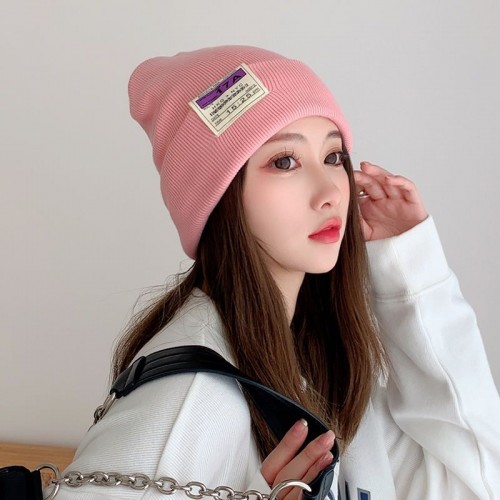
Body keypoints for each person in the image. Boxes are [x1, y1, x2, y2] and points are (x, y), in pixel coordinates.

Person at [53, 45, 500, 500]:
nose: (330, 192)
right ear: (219, 196)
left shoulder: (321, 360)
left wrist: (412, 273)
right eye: (285, 161)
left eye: (333, 157)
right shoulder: (189, 402)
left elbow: (476, 481)